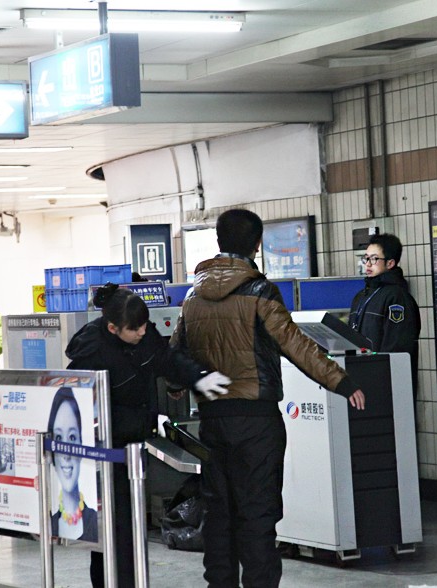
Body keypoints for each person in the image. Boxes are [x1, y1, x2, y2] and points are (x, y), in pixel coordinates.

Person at [170, 208, 366, 588]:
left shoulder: (194, 296)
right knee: (257, 515)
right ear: (257, 245)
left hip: (212, 420)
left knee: (220, 512)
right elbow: (295, 344)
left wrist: (179, 385)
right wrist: (341, 382)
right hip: (256, 422)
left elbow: (178, 351)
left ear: (219, 243)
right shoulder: (259, 291)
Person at [65, 283, 230, 587]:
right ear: (113, 328)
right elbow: (74, 402)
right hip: (104, 452)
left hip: (133, 448)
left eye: (144, 325)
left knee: (129, 529)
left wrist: (197, 378)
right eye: (134, 329)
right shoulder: (91, 350)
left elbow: (167, 360)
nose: (142, 332)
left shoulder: (144, 336)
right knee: (112, 531)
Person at [349, 233, 421, 395]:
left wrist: (378, 375)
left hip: (386, 383)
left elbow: (397, 346)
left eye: (374, 259)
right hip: (360, 379)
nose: (368, 264)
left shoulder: (397, 297)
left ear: (390, 263)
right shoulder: (361, 296)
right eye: (366, 258)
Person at [47, 387, 98, 542]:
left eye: (72, 436)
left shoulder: (97, 522)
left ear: (81, 444)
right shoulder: (48, 523)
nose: (66, 455)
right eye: (59, 438)